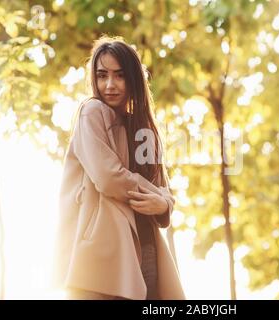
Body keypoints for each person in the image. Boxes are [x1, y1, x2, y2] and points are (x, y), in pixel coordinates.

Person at [52, 36, 185, 300]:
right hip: (101, 253)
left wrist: (164, 204)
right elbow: (108, 177)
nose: (109, 85)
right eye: (102, 75)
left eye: (120, 76)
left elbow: (164, 190)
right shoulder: (92, 112)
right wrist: (159, 198)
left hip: (146, 248)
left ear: (133, 79)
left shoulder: (145, 128)